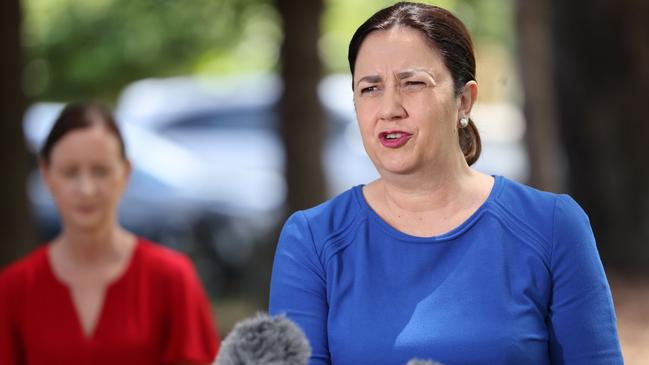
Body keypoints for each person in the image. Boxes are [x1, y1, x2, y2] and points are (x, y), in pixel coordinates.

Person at [268, 2, 623, 365]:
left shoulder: (552, 225)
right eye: (370, 88)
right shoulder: (312, 240)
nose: (389, 108)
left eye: (412, 83)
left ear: (464, 101)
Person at [0, 102, 220, 365]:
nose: (86, 189)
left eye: (100, 171)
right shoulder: (15, 288)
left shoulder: (172, 279)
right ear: (46, 174)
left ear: (125, 173)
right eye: (70, 172)